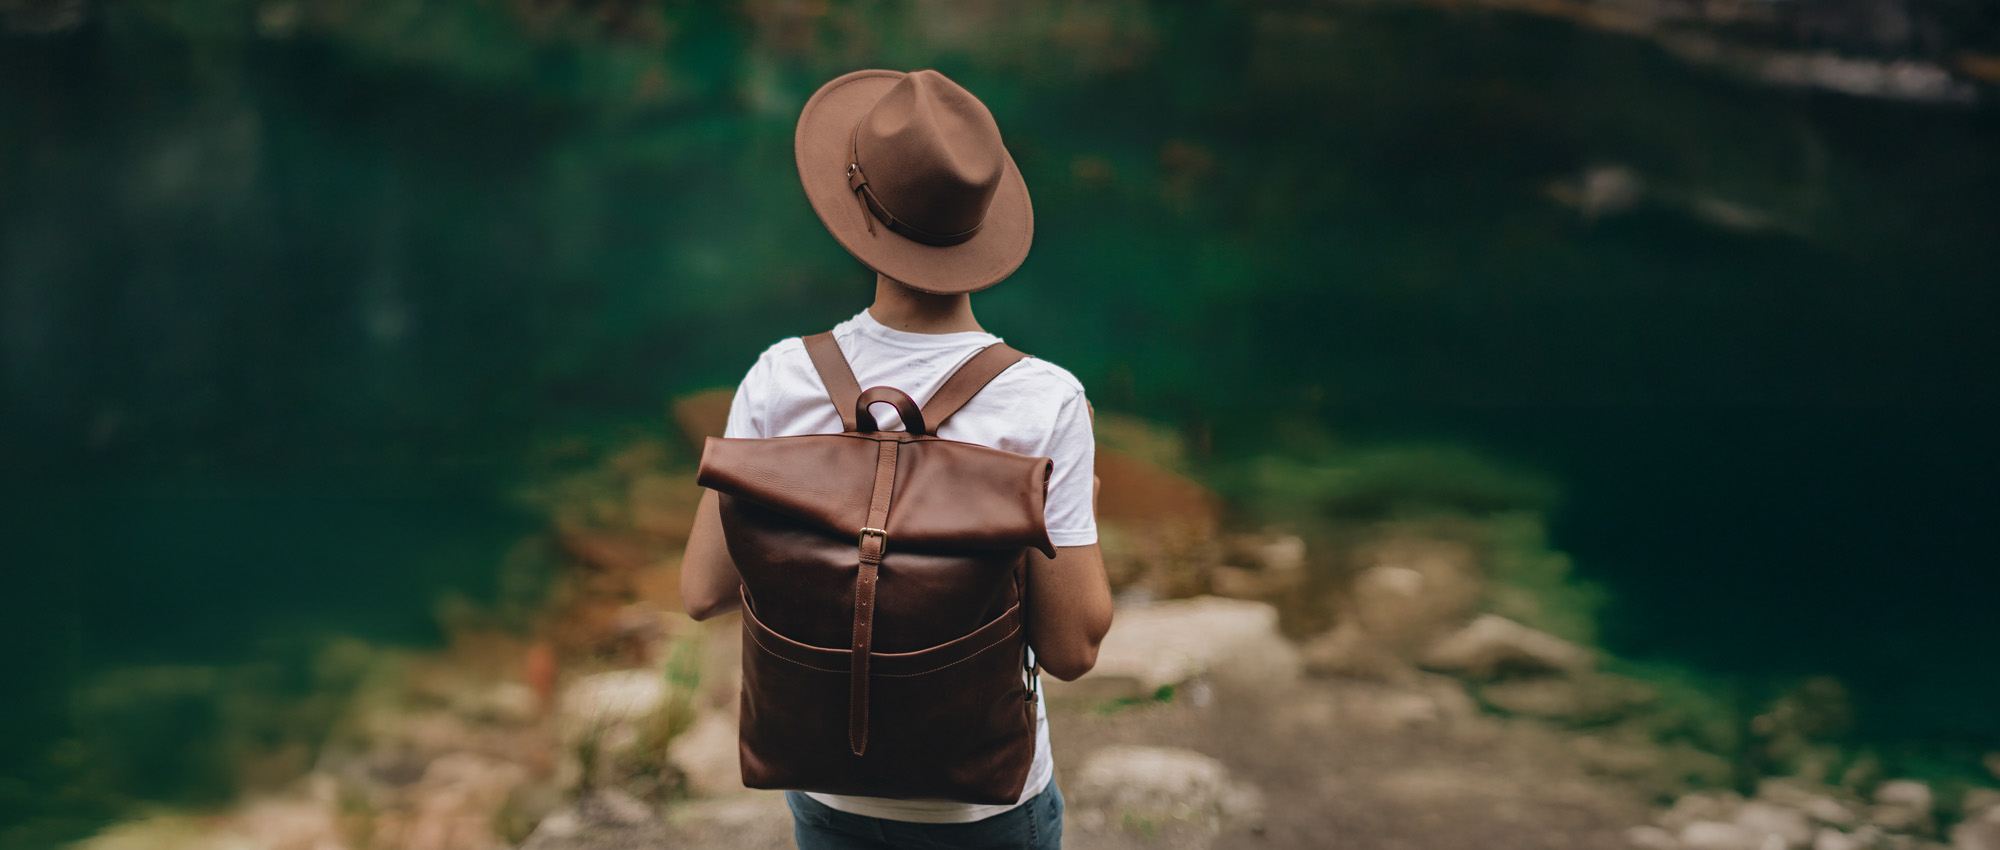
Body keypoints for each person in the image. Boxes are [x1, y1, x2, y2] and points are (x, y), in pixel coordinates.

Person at [678, 68, 1115, 850]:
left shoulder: (780, 378)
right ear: (980, 222)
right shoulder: (1046, 401)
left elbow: (702, 590)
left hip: (827, 793)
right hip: (988, 808)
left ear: (857, 211)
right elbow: (1072, 650)